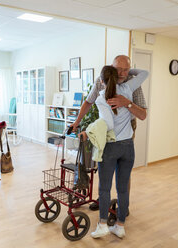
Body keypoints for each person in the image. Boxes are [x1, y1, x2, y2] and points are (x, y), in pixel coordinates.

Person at [71, 55, 148, 211]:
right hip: (104, 129)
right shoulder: (101, 81)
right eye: (118, 69)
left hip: (126, 131)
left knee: (123, 171)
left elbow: (142, 115)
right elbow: (88, 102)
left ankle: (122, 205)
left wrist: (127, 103)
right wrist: (76, 122)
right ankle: (103, 199)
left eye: (126, 70)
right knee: (105, 166)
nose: (122, 73)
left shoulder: (132, 84)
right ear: (112, 67)